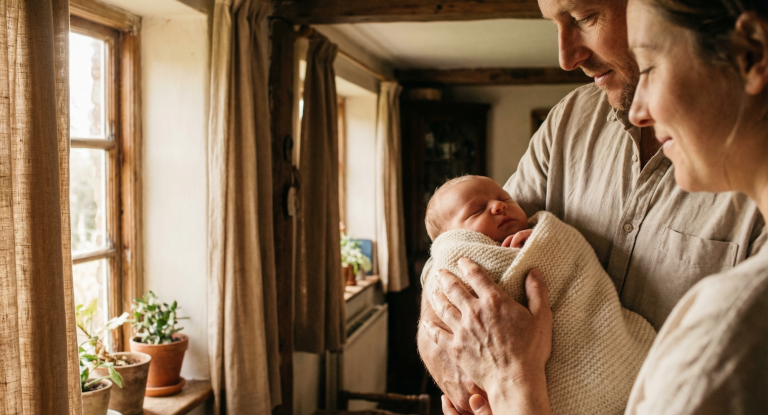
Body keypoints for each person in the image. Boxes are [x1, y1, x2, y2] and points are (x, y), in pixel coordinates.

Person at [415, 0, 767, 413]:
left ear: (751, 54)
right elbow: (460, 248)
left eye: (584, 17)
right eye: (555, 24)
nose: (565, 58)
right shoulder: (570, 121)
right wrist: (442, 344)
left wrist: (512, 380)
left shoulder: (736, 306)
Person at [424, 175, 656, 414]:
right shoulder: (454, 261)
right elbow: (445, 277)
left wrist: (544, 241)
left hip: (596, 339)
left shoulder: (539, 234)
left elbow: (573, 253)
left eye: (504, 198)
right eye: (476, 211)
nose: (498, 205)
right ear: (452, 238)